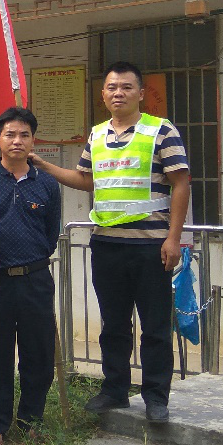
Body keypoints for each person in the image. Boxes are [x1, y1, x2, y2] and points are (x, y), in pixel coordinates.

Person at [29, 61, 190, 424]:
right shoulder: (97, 134)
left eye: (126, 87)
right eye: (112, 88)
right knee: (114, 324)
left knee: (155, 327)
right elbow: (86, 180)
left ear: (141, 93)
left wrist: (174, 238)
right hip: (107, 244)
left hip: (151, 245)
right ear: (103, 94)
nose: (119, 93)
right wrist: (43, 164)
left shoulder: (161, 130)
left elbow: (181, 183)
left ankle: (155, 397)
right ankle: (115, 389)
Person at [0, 107, 62, 445]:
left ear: (33, 141)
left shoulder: (47, 184)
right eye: (10, 134)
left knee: (38, 353)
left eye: (24, 135)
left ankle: (31, 420)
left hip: (34, 279)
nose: (17, 141)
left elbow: (51, 233)